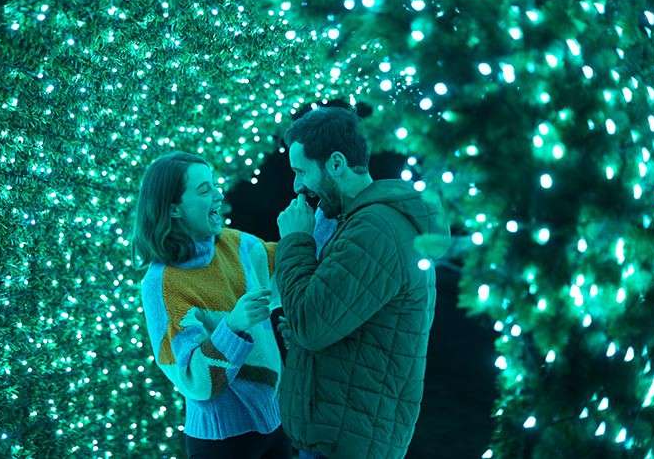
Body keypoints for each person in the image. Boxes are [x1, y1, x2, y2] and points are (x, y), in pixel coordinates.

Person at [273, 106, 451, 459]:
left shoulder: (375, 230)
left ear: (336, 164)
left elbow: (311, 323)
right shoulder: (360, 223)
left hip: (347, 444)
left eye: (301, 171)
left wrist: (295, 240)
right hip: (343, 434)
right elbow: (344, 319)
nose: (297, 186)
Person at [133, 151, 291, 459]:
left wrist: (317, 227)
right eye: (204, 190)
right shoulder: (161, 284)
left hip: (276, 427)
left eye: (214, 186)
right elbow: (196, 382)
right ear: (174, 209)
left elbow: (290, 275)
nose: (218, 195)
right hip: (222, 445)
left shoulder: (238, 244)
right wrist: (234, 326)